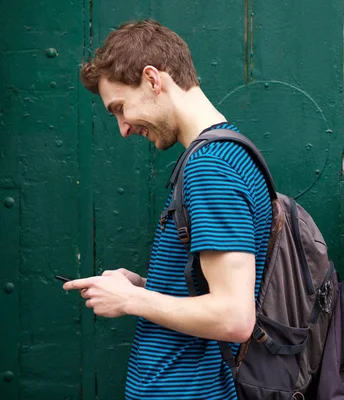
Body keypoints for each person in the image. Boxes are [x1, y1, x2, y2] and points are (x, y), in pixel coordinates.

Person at [63, 19, 272, 399]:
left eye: (120, 107)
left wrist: (131, 300)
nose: (123, 128)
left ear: (153, 79)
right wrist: (148, 286)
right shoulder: (225, 154)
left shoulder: (212, 168)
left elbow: (235, 317)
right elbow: (213, 288)